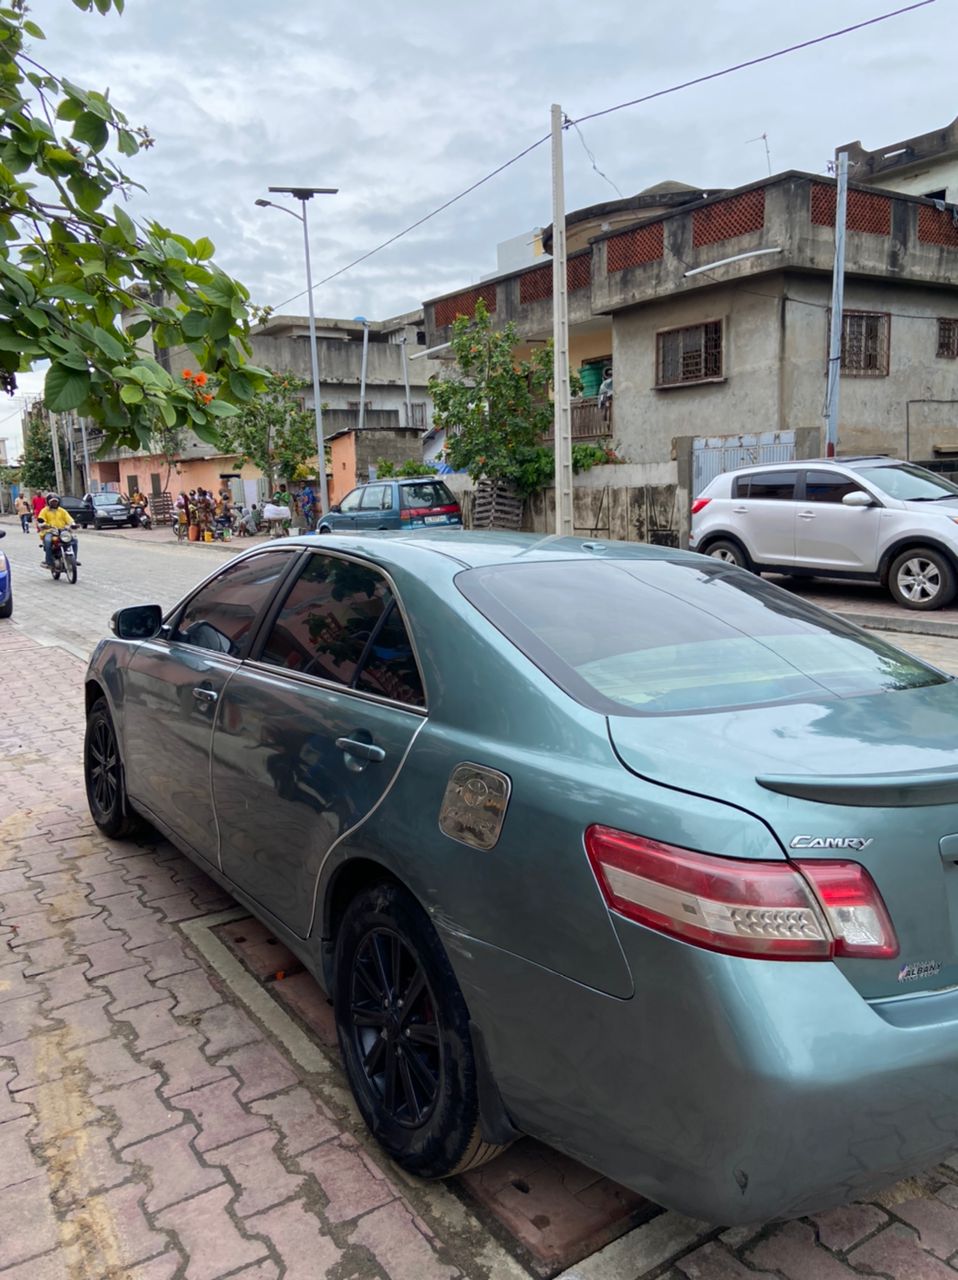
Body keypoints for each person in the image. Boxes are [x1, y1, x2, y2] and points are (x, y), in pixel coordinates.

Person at [36, 494, 79, 567]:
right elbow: (41, 520)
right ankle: (48, 561)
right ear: (48, 502)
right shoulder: (44, 511)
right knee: (48, 542)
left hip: (62, 531)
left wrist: (73, 524)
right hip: (49, 531)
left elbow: (69, 519)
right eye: (52, 501)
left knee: (74, 540)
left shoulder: (62, 511)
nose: (54, 503)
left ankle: (74, 559)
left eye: (56, 501)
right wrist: (43, 525)